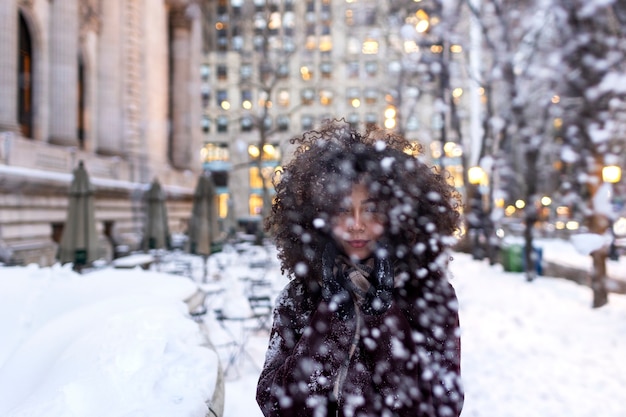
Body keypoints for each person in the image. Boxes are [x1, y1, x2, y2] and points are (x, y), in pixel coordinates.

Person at [256, 120, 464, 417]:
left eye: (371, 209)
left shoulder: (431, 297)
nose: (356, 223)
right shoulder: (299, 296)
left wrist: (381, 317)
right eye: (342, 209)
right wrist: (331, 319)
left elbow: (441, 407)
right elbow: (274, 404)